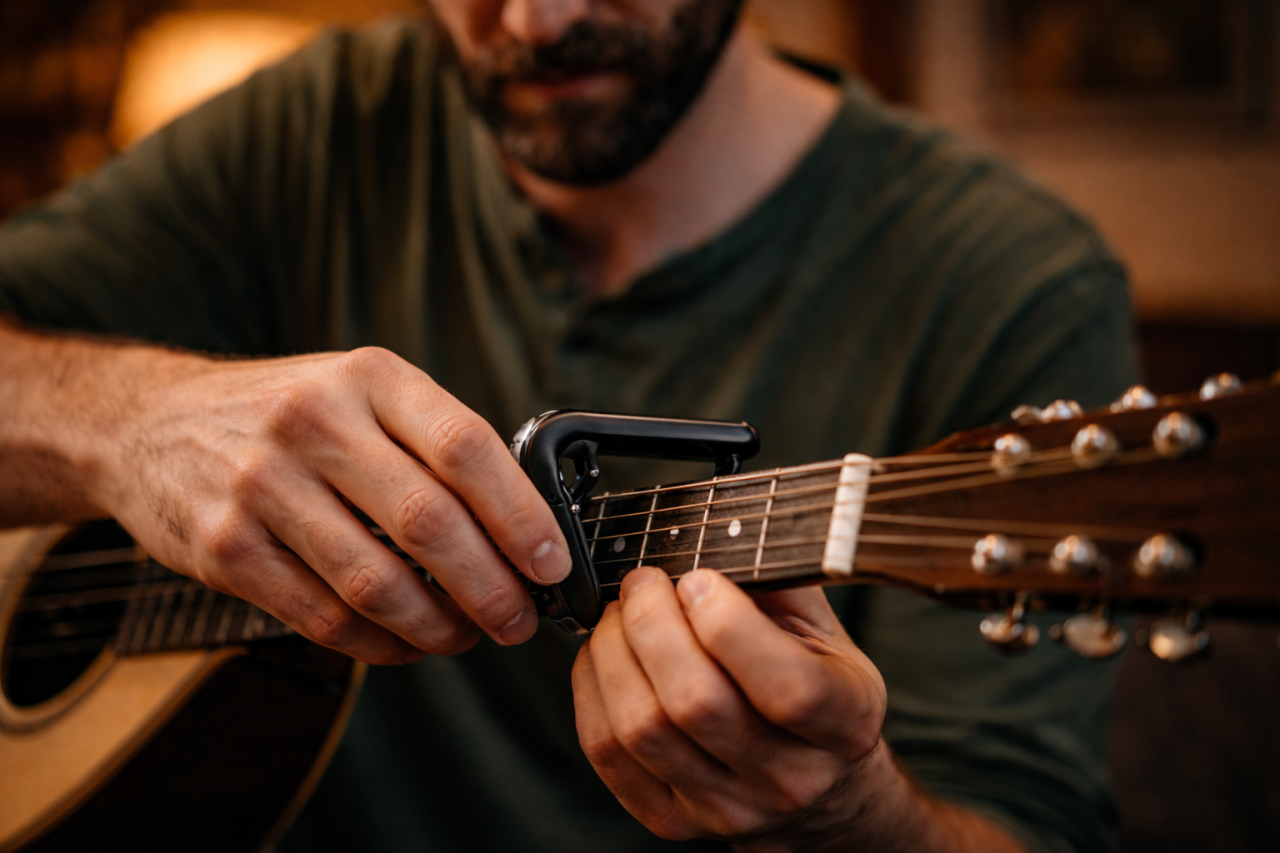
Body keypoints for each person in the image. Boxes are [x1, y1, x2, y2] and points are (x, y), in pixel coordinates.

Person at [0, 1, 1138, 850]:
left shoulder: (1010, 279)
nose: (537, 20)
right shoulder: (318, 127)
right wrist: (122, 425)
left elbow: (1020, 824)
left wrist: (849, 818)